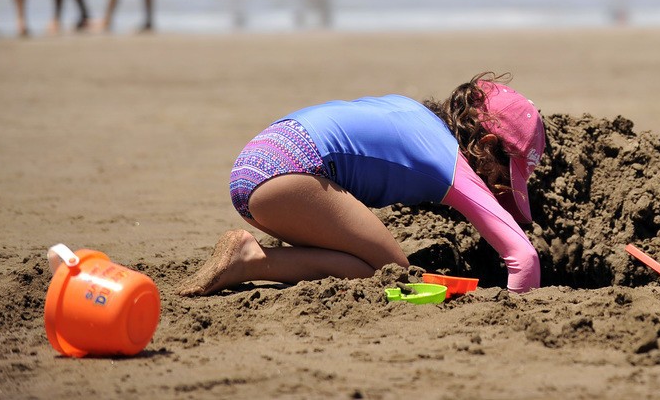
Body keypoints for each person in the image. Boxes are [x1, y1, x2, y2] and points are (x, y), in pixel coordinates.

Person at [177, 74, 546, 296]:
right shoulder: (450, 163)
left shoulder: (412, 111)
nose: (498, 189)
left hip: (254, 165)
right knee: (392, 273)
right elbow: (524, 258)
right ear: (485, 146)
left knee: (356, 262)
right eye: (504, 177)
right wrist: (517, 312)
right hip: (288, 174)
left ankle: (252, 258)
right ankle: (252, 261)